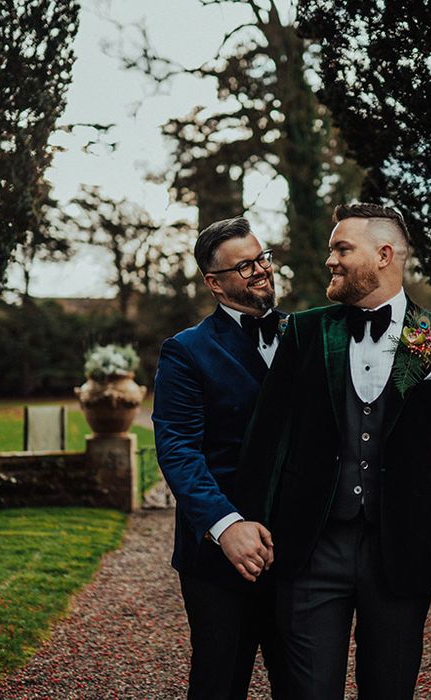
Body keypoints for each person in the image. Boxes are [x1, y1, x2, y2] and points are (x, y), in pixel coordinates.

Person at [236, 202, 431, 699]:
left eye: (341, 249)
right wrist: (248, 523)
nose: (329, 260)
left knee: (390, 690)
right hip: (311, 549)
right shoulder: (306, 333)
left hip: (401, 553)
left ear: (384, 254)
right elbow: (265, 442)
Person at [152, 216, 288, 699]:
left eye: (262, 258)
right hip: (217, 556)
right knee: (219, 682)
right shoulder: (186, 352)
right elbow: (178, 450)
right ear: (214, 283)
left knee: (305, 683)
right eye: (244, 266)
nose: (260, 271)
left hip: (299, 550)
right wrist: (226, 525)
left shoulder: (306, 337)